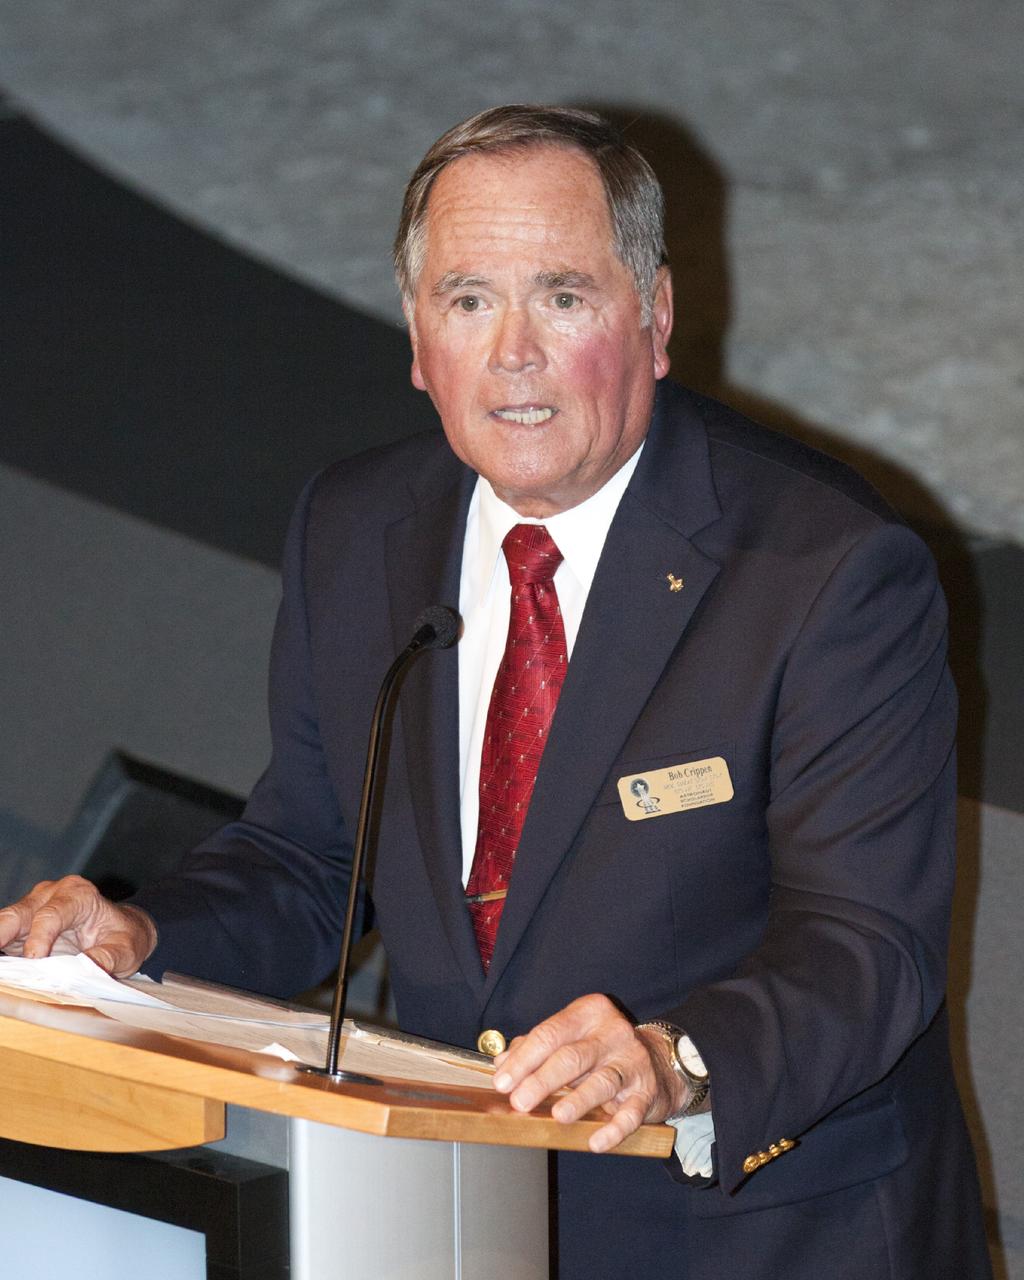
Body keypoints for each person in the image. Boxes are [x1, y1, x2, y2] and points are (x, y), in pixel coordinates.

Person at [0, 106, 991, 1278]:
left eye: (562, 296)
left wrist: (681, 1056)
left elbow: (866, 944)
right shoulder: (359, 526)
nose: (512, 351)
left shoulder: (826, 569)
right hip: (456, 1205)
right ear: (419, 341)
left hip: (758, 1231)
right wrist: (140, 935)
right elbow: (317, 852)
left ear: (655, 319)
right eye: (468, 300)